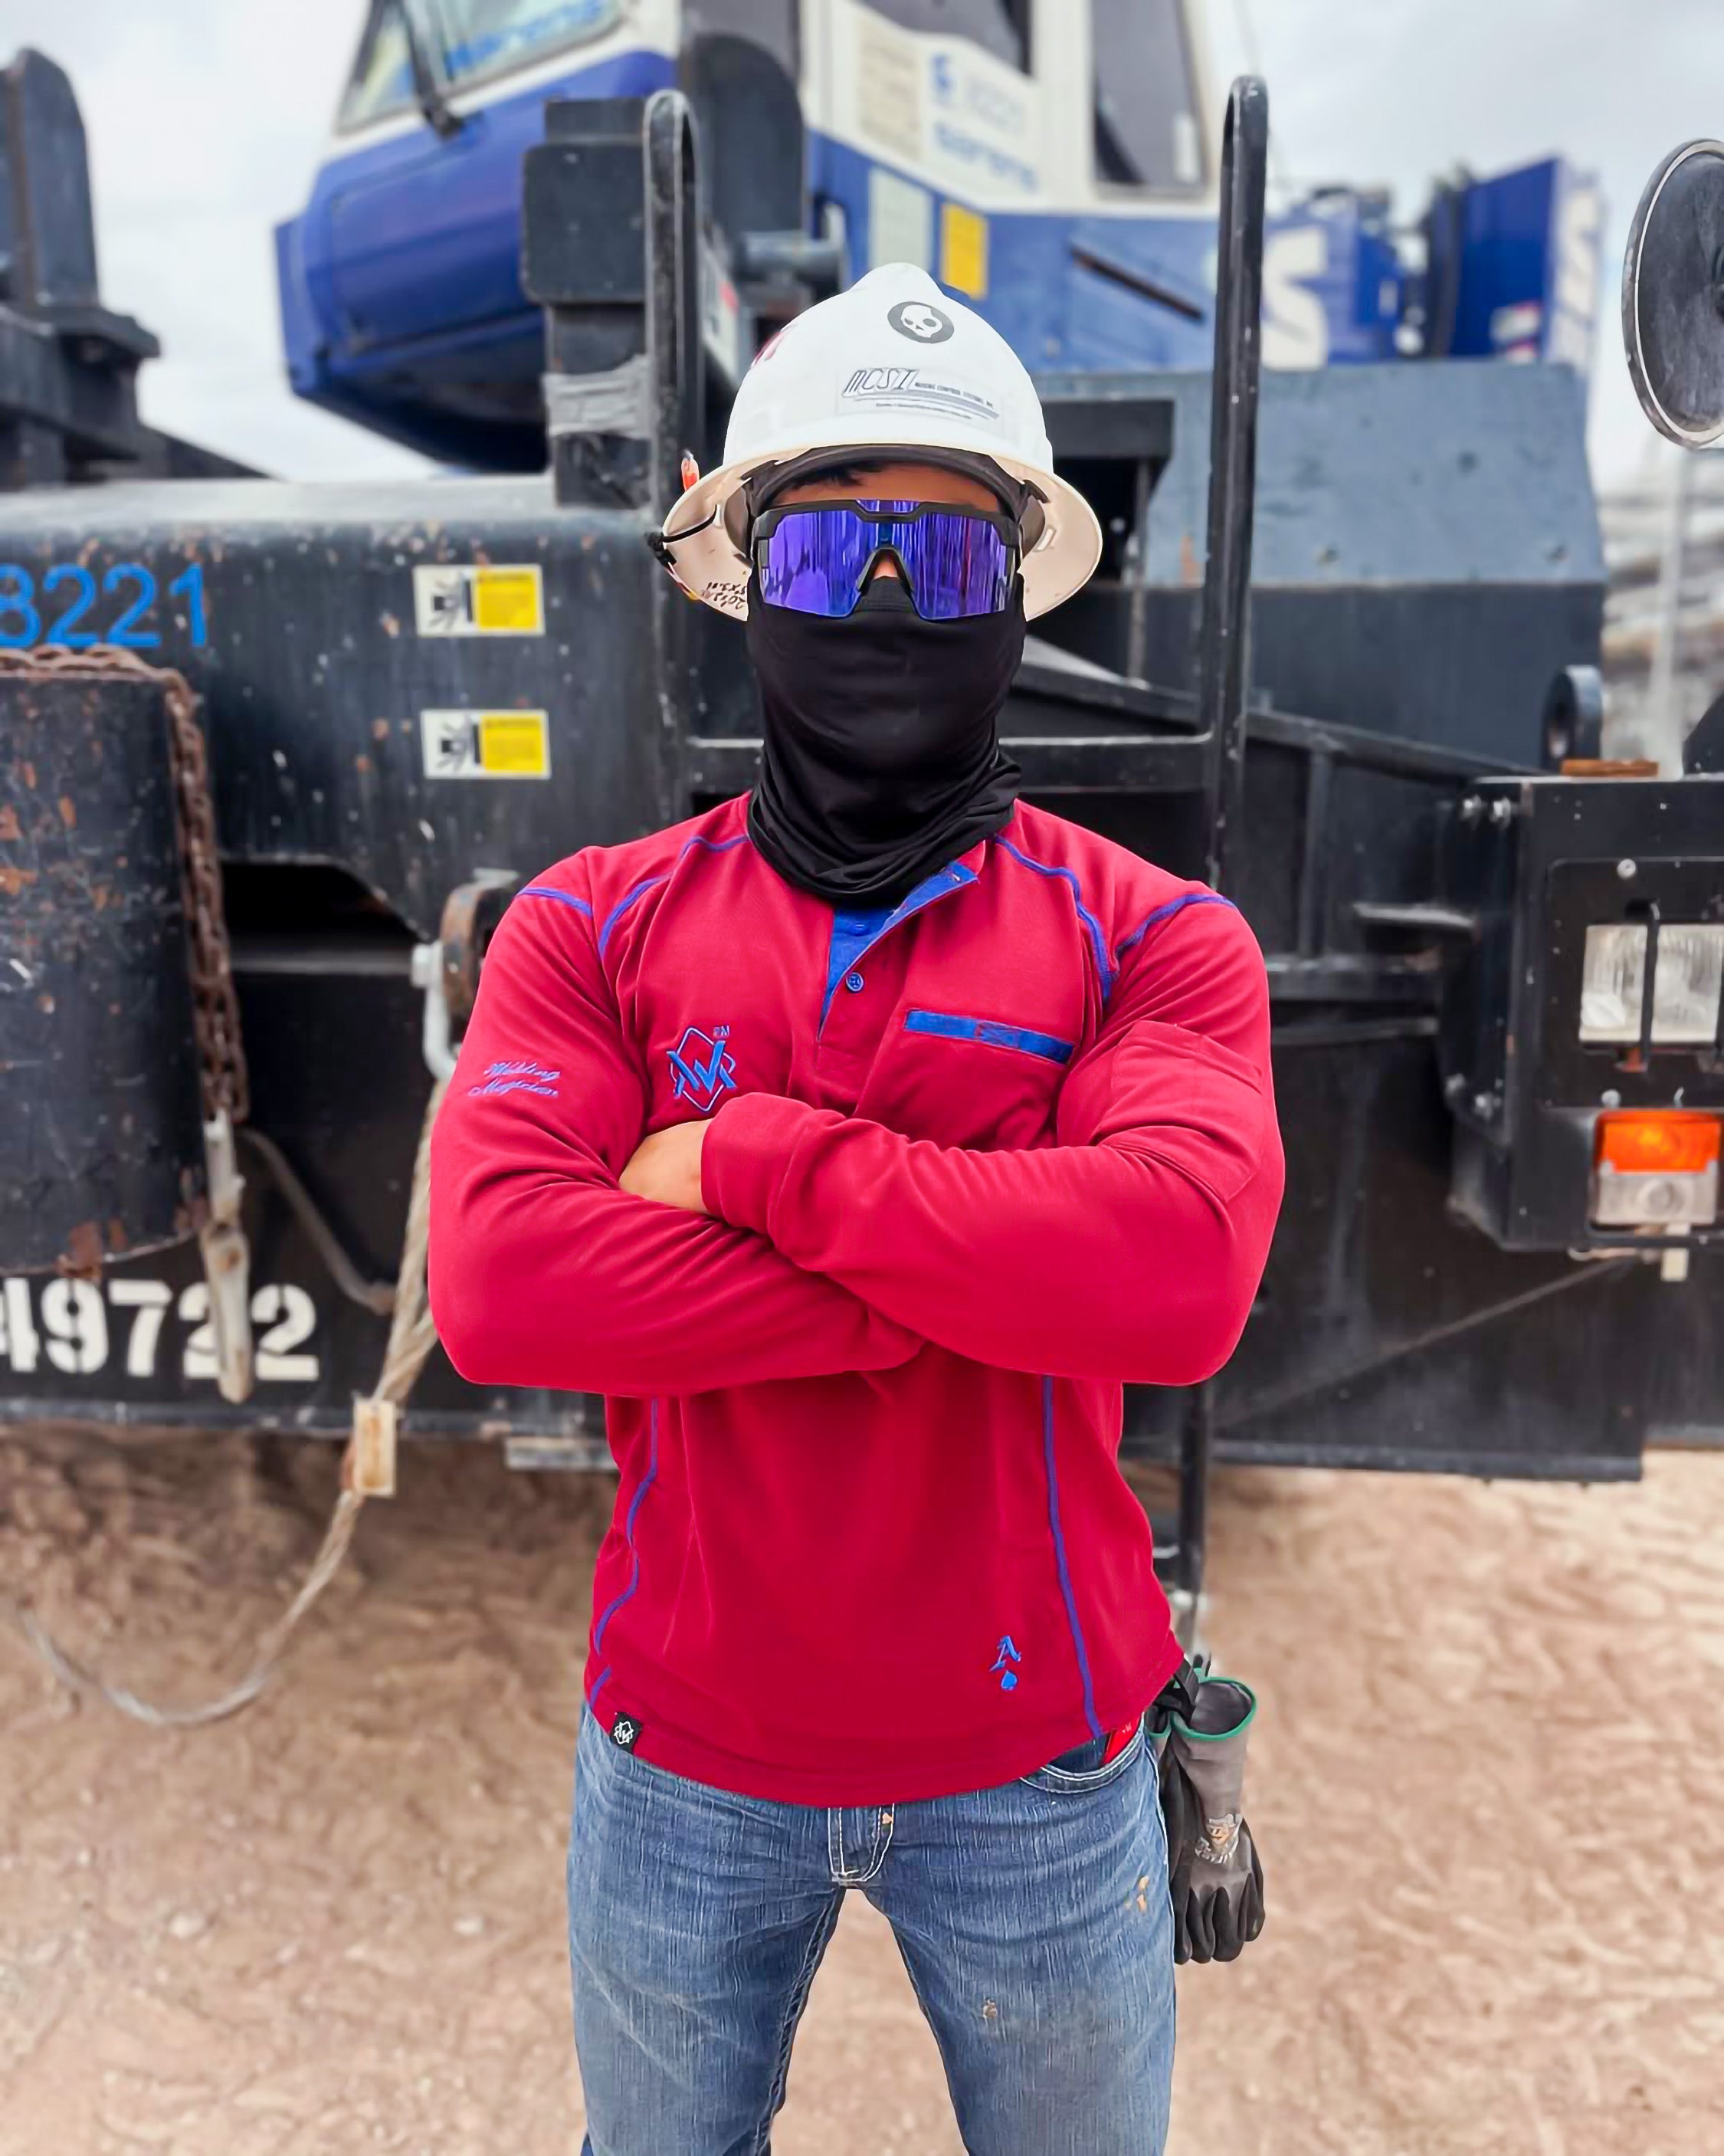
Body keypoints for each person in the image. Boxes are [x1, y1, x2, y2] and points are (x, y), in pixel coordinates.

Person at [428, 264, 1284, 2156]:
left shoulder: (1156, 938)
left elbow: (1183, 1276)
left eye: (946, 559)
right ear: (744, 580)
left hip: (1040, 1769)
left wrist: (745, 1164)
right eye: (830, 554)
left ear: (1021, 597)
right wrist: (989, 1257)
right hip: (683, 1761)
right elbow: (500, 1289)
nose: (889, 603)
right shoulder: (590, 923)